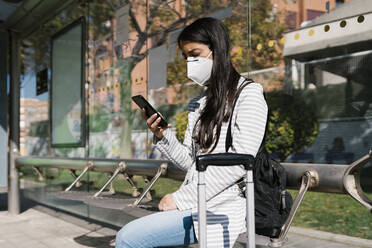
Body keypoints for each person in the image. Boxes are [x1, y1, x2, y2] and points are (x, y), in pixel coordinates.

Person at [115, 17, 268, 248]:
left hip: (224, 206)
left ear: (217, 49)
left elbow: (241, 162)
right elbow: (191, 162)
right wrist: (163, 136)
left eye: (195, 53)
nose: (190, 62)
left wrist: (180, 199)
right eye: (186, 56)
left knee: (128, 238)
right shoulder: (198, 104)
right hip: (197, 203)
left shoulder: (249, 94)